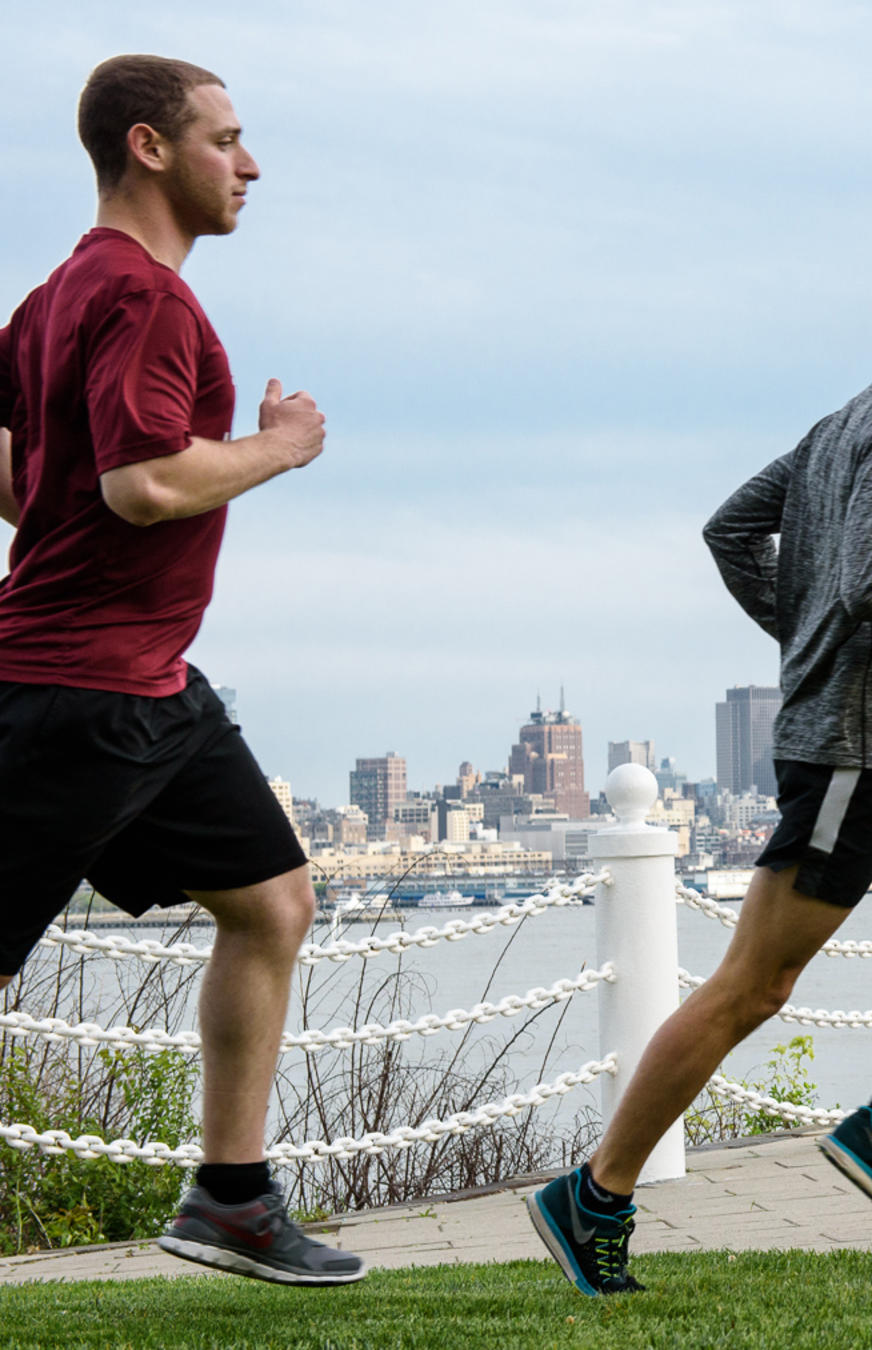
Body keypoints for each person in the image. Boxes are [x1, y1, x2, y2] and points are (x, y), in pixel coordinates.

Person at [528, 232, 872, 1295]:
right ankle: (596, 1192)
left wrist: (801, 634)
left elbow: (734, 531)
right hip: (851, 757)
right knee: (752, 987)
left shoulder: (845, 422)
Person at [0, 56, 362, 1284]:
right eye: (227, 140)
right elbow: (141, 483)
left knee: (272, 900)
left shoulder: (59, 295)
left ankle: (230, 1197)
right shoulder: (145, 300)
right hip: (78, 695)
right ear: (150, 148)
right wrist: (279, 445)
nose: (249, 164)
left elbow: (19, 471)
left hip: (151, 687)